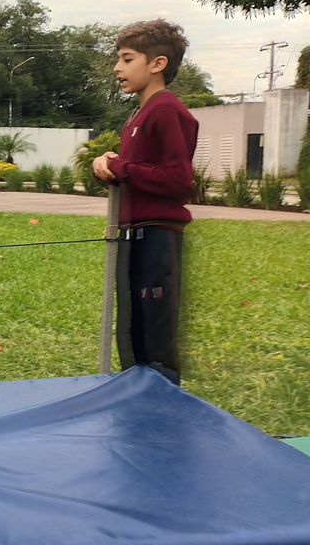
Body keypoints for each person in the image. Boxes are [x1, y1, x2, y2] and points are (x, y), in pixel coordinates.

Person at [92, 19, 198, 386]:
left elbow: (177, 180)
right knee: (132, 324)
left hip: (157, 235)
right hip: (132, 232)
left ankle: (161, 399)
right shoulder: (138, 114)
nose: (117, 68)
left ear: (157, 64)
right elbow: (137, 172)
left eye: (126, 59)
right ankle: (135, 396)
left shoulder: (167, 111)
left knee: (154, 330)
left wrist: (119, 166)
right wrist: (107, 168)